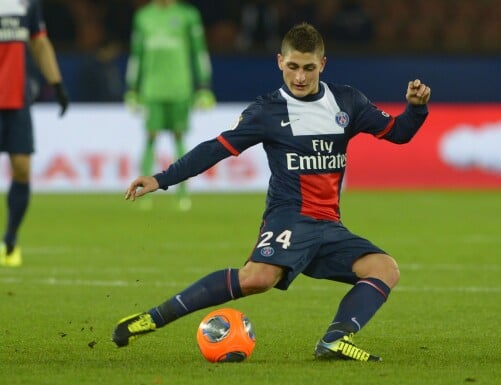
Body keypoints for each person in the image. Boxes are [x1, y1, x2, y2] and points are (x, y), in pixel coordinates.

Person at [112, 22, 431, 361]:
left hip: (329, 225)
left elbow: (398, 133)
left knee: (384, 268)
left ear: (322, 64)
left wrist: (416, 108)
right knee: (258, 278)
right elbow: (215, 149)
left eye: (309, 68)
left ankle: (335, 340)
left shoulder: (348, 102)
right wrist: (162, 179)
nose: (300, 77)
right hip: (289, 217)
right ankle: (152, 317)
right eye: (293, 66)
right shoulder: (266, 111)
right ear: (280, 61)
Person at [124, 0, 216, 211]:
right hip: (152, 89)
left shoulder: (188, 15)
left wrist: (204, 86)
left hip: (179, 88)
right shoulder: (143, 17)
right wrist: (132, 89)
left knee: (179, 136)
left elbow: (199, 52)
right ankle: (143, 193)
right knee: (150, 136)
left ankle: (183, 193)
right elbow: (136, 55)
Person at [0, 0, 69, 267]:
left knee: (21, 169)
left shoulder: (27, 3)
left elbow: (39, 43)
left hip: (17, 99)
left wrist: (57, 83)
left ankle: (10, 239)